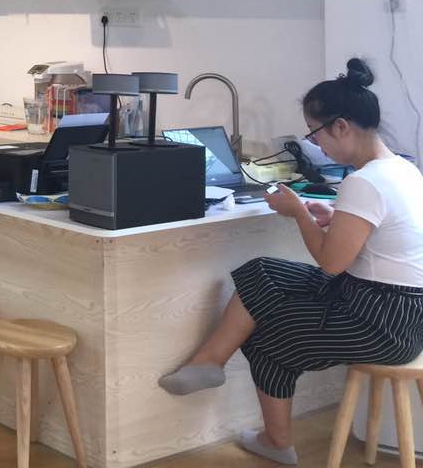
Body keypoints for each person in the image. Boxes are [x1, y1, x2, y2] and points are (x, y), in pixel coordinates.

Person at [158, 58, 423, 465]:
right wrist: (335, 217)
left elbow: (331, 264)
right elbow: (385, 238)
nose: (316, 145)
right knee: (262, 271)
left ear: (341, 127)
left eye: (315, 133)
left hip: (379, 321)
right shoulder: (403, 169)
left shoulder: (364, 181)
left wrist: (299, 213)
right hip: (403, 311)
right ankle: (209, 361)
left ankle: (276, 442)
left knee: (268, 339)